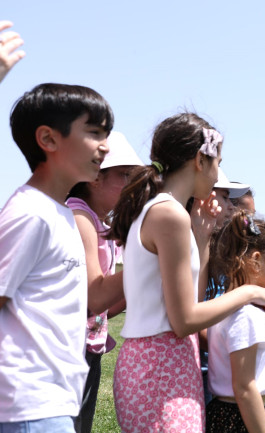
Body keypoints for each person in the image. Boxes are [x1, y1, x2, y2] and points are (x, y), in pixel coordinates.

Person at [107, 113, 265, 432]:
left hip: (161, 361)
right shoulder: (168, 214)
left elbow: (193, 302)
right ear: (201, 160)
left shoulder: (164, 210)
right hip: (159, 364)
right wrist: (249, 292)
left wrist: (201, 237)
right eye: (217, 163)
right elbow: (184, 319)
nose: (218, 176)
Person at [0, 83, 114, 432]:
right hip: (30, 405)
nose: (105, 146)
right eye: (94, 132)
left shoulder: (61, 213)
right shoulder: (30, 213)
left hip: (53, 400)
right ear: (48, 140)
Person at [66, 131, 143, 433]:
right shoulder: (78, 216)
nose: (130, 186)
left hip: (89, 347)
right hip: (69, 347)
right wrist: (148, 266)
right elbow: (93, 295)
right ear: (95, 176)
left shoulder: (100, 223)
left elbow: (104, 307)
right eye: (125, 176)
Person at [206, 211, 265, 433]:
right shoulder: (248, 316)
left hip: (227, 413)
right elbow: (244, 387)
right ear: (256, 261)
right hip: (247, 416)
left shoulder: (222, 309)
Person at [199, 167, 252, 407]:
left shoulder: (230, 253)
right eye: (225, 198)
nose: (232, 207)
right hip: (205, 360)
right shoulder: (198, 246)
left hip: (222, 357)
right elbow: (194, 311)